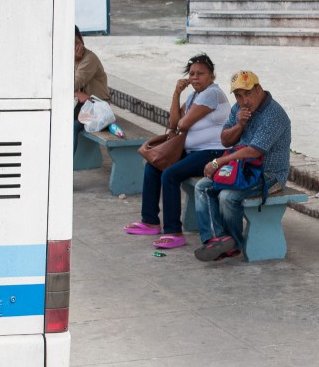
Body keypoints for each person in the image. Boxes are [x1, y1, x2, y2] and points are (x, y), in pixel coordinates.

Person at [123, 53, 230, 249]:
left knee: (170, 175)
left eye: (200, 73)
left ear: (211, 76)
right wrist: (176, 93)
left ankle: (174, 232)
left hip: (213, 153)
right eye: (192, 74)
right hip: (193, 152)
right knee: (154, 166)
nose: (195, 78)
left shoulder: (212, 94)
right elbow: (173, 123)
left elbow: (183, 124)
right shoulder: (193, 96)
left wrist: (180, 121)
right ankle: (150, 221)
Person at [193, 70, 291, 262]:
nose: (244, 100)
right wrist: (240, 125)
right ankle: (216, 240)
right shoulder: (238, 109)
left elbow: (253, 151)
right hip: (240, 169)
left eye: (248, 93)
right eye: (238, 95)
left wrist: (218, 162)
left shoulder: (274, 115)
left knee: (227, 196)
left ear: (259, 89)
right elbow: (225, 140)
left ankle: (234, 243)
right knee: (202, 187)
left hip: (268, 175)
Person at [73, 25, 109, 152]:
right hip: (81, 106)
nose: (75, 48)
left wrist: (75, 60)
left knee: (72, 126)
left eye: (75, 42)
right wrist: (77, 94)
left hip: (97, 109)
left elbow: (73, 84)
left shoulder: (89, 59)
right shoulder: (65, 58)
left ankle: (67, 161)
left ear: (81, 39)